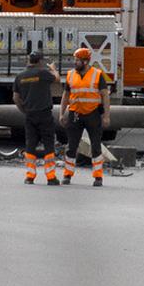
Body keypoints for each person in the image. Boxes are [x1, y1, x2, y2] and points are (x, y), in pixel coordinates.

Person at [59, 47, 111, 186]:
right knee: (71, 146)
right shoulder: (70, 75)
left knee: (95, 146)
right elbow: (65, 96)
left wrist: (106, 116)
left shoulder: (97, 74)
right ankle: (67, 175)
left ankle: (98, 177)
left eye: (77, 60)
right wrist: (62, 113)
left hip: (93, 114)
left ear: (86, 61)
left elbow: (105, 95)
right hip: (75, 113)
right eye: (75, 60)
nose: (75, 62)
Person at [13, 51, 60, 186]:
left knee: (30, 145)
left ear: (29, 60)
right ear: (40, 61)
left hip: (30, 115)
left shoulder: (20, 77)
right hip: (44, 114)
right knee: (48, 144)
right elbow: (57, 79)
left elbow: (16, 98)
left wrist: (24, 110)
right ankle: (51, 177)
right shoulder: (43, 73)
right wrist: (53, 69)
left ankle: (30, 177)